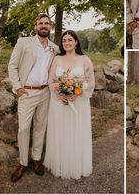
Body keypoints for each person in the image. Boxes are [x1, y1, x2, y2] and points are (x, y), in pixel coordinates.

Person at [8, 13, 59, 182]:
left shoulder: (54, 48)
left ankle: (37, 159)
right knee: (23, 128)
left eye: (46, 23)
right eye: (40, 23)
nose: (43, 25)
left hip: (45, 93)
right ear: (36, 26)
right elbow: (13, 65)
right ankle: (23, 162)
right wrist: (17, 87)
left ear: (50, 26)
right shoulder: (24, 42)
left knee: (40, 127)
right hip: (27, 92)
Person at [43, 30, 95, 179]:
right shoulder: (57, 59)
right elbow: (51, 80)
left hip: (78, 103)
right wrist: (58, 92)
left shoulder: (85, 59)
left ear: (76, 42)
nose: (67, 43)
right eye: (64, 40)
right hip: (58, 102)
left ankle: (76, 163)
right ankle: (60, 163)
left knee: (76, 132)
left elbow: (91, 82)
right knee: (61, 131)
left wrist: (77, 92)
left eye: (70, 40)